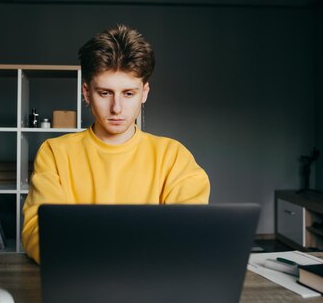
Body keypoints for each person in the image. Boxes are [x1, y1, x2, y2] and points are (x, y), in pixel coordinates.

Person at [21, 24, 210, 264]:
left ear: (144, 93)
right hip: (79, 279)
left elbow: (190, 232)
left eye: (129, 94)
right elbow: (36, 230)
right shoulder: (55, 153)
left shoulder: (174, 156)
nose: (117, 108)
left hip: (153, 283)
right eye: (105, 93)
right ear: (87, 93)